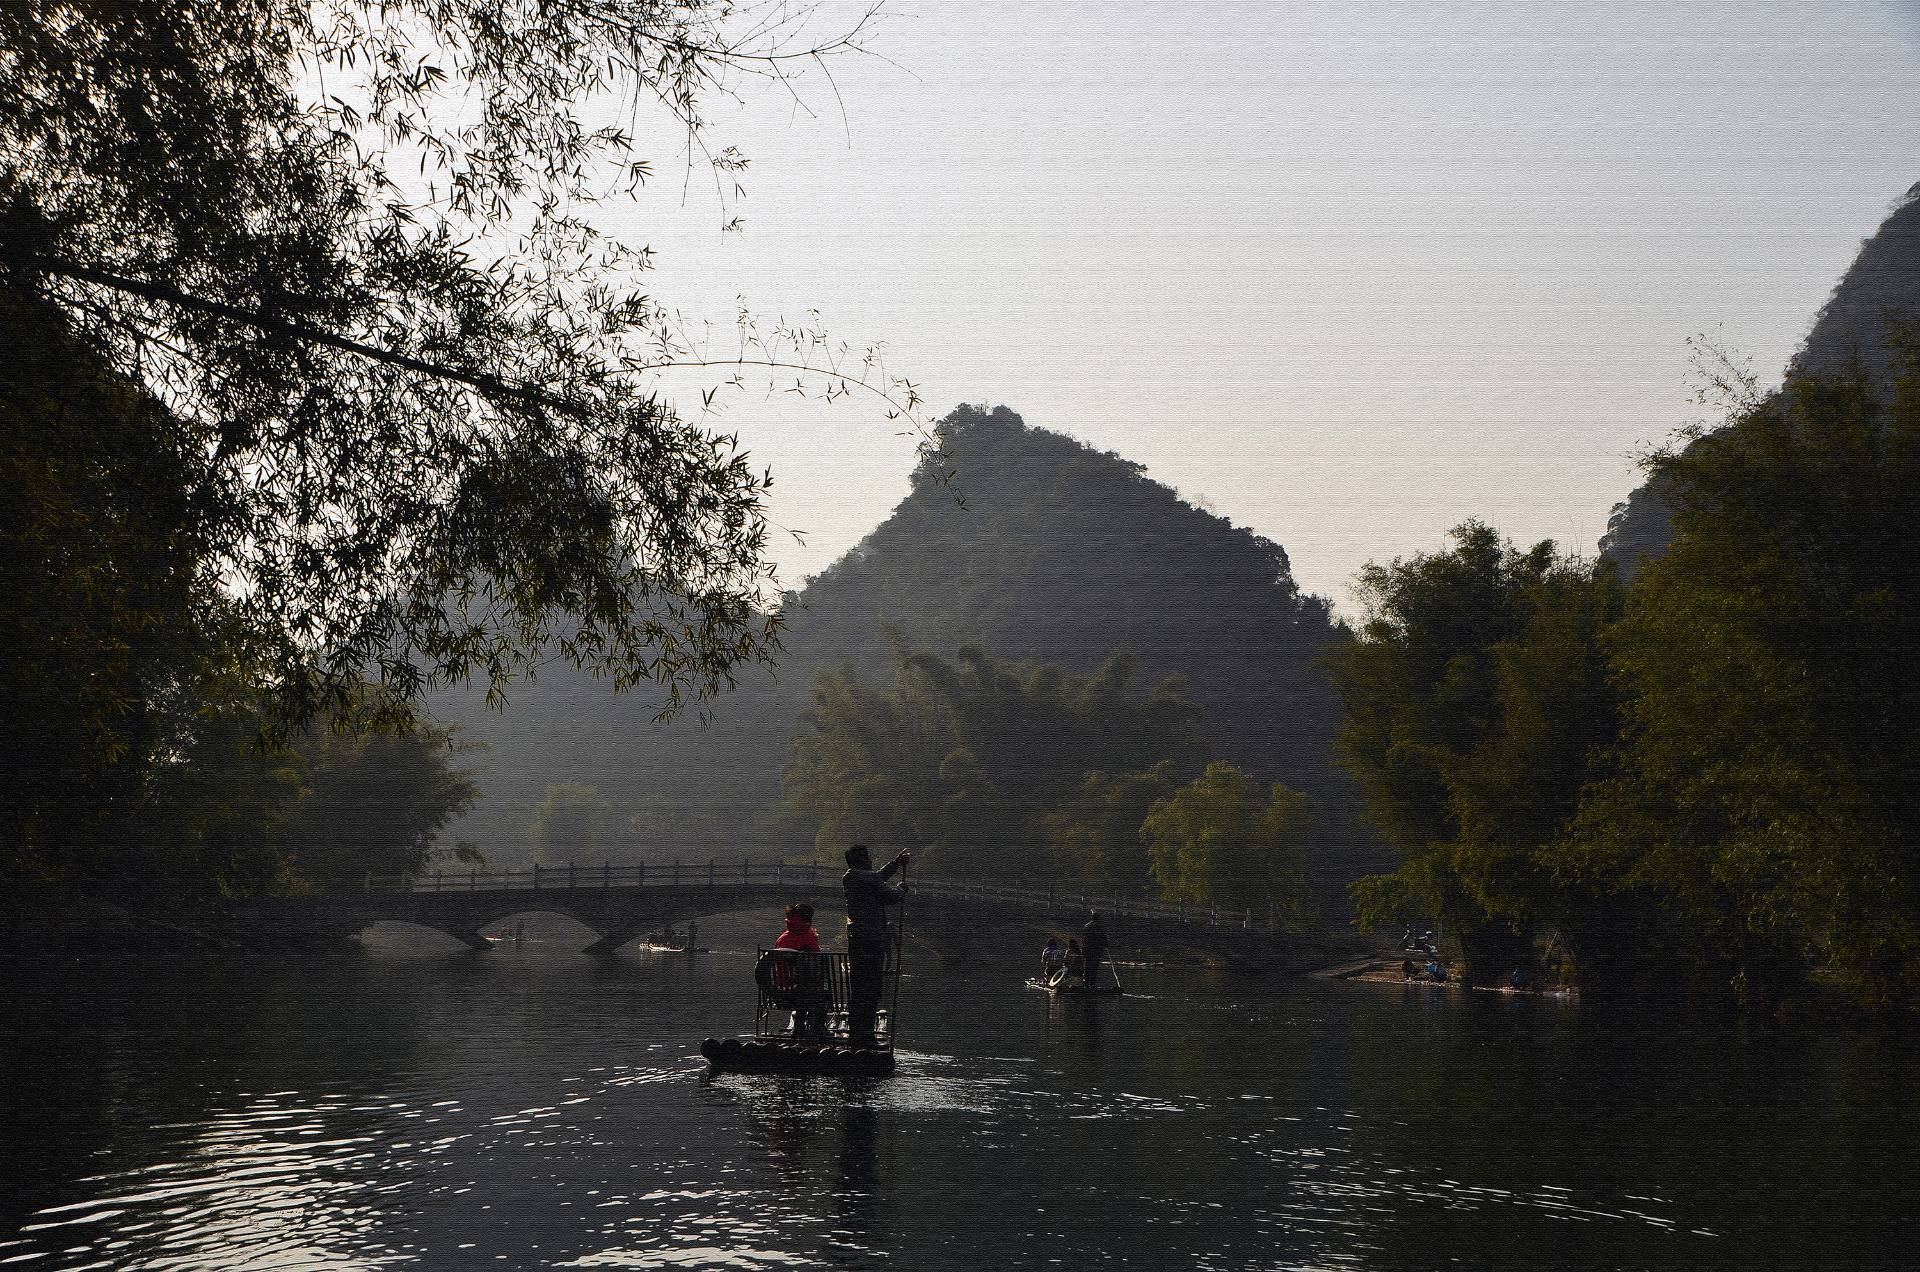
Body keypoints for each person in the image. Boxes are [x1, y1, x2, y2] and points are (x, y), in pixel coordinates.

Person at [842, 844, 910, 1046]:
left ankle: (857, 1034)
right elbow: (890, 897)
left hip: (856, 938)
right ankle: (866, 1037)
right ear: (865, 860)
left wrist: (895, 864)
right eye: (869, 858)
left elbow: (876, 879)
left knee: (859, 988)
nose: (871, 860)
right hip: (871, 938)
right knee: (871, 989)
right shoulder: (867, 878)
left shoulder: (850, 877)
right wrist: (901, 889)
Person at [775, 903, 826, 1037]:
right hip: (804, 989)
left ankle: (798, 1028)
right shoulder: (809, 938)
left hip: (781, 989)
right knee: (814, 991)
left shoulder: (782, 938)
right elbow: (817, 967)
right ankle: (818, 1026)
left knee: (804, 989)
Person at [1082, 912, 1108, 990]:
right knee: (1095, 967)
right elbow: (1104, 938)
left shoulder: (1087, 926)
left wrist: (1084, 949)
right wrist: (1106, 944)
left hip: (1088, 949)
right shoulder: (1100, 927)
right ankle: (1092, 984)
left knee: (1087, 966)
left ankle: (1086, 983)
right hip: (1097, 950)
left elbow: (1084, 939)